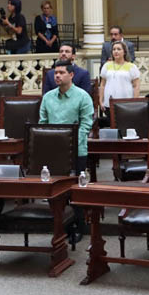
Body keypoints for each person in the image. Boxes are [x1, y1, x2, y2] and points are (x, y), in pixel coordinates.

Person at [40, 59, 94, 242]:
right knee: (55, 189)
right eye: (55, 73)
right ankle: (59, 226)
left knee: (76, 189)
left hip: (76, 149)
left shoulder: (82, 96)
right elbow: (42, 124)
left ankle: (78, 226)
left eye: (61, 72)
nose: (57, 76)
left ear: (71, 75)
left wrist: (72, 141)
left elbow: (87, 123)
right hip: (53, 151)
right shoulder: (48, 97)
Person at [99, 41, 141, 121]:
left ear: (124, 52)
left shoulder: (131, 66)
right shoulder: (107, 65)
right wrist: (101, 100)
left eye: (119, 49)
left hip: (126, 103)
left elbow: (136, 86)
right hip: (109, 102)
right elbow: (102, 84)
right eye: (114, 49)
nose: (116, 51)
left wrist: (134, 102)